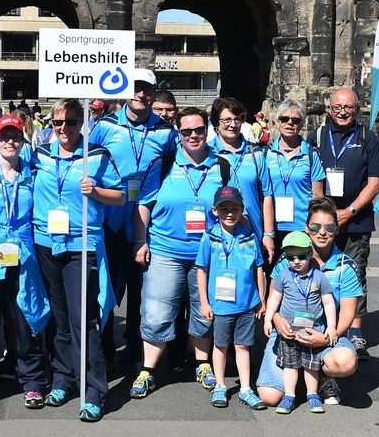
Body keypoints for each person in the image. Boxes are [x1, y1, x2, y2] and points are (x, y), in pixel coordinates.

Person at [130, 106, 239, 400]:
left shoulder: (222, 166)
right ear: (178, 134)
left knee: (205, 311)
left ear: (208, 131)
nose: (194, 136)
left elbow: (232, 207)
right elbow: (144, 204)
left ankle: (202, 363)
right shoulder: (163, 163)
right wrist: (140, 241)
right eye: (187, 131)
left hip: (207, 252)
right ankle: (149, 369)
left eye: (199, 130)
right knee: (156, 310)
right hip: (166, 249)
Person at [32, 98, 124, 422]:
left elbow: (121, 195)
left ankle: (95, 390)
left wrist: (96, 192)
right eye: (58, 122)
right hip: (45, 243)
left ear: (81, 122)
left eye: (71, 121)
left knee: (83, 320)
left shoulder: (96, 155)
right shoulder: (40, 154)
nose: (64, 128)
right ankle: (63, 378)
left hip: (80, 245)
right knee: (58, 318)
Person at [89, 68, 177, 364]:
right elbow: (83, 160)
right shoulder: (105, 125)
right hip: (110, 213)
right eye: (137, 88)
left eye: (147, 89)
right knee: (108, 284)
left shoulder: (166, 131)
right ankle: (103, 347)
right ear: (127, 91)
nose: (142, 94)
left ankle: (137, 349)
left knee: (142, 287)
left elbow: (173, 169)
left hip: (145, 214)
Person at [0, 115, 51, 411]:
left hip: (25, 256)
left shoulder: (36, 175)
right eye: (4, 137)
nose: (10, 143)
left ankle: (33, 383)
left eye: (15, 137)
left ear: (22, 140)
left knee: (27, 316)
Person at [257, 198, 363, 407]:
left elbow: (348, 314)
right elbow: (273, 299)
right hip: (287, 335)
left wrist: (325, 338)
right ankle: (294, 375)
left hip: (323, 333)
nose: (322, 232)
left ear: (337, 230)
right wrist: (276, 320)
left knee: (344, 362)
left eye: (329, 227)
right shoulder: (287, 260)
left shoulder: (345, 266)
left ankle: (322, 378)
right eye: (315, 227)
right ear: (307, 229)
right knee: (269, 397)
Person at [308, 88, 379, 360]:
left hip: (356, 221)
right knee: (318, 272)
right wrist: (327, 214)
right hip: (324, 222)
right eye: (337, 107)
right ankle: (319, 321)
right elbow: (310, 175)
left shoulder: (367, 138)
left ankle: (355, 332)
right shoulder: (316, 137)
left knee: (355, 273)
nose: (342, 111)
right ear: (329, 109)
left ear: (357, 109)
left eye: (348, 107)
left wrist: (348, 211)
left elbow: (375, 183)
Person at [196, 186, 266, 410]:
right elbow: (201, 270)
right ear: (214, 211)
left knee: (243, 346)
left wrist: (262, 299)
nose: (229, 213)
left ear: (242, 210)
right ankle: (219, 385)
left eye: (234, 208)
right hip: (221, 305)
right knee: (221, 345)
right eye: (224, 208)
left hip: (246, 304)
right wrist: (204, 302)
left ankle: (246, 388)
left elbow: (259, 269)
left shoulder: (249, 236)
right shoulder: (209, 237)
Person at [263, 231, 337, 415]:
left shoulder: (319, 277)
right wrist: (268, 317)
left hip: (312, 332)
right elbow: (274, 298)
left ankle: (312, 394)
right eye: (291, 257)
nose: (296, 261)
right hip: (288, 331)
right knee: (290, 365)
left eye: (301, 256)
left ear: (310, 254)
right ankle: (289, 395)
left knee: (311, 365)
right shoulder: (284, 276)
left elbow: (328, 303)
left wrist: (331, 326)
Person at [208, 97, 276, 261]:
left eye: (238, 119)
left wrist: (268, 234)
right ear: (216, 122)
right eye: (227, 120)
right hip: (217, 232)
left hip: (251, 231)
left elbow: (266, 195)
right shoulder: (207, 152)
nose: (232, 124)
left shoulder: (256, 154)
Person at [265, 98, 325, 253]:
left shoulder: (311, 155)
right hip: (272, 226)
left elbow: (317, 196)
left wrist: (315, 226)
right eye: (284, 119)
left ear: (302, 123)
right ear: (278, 122)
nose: (289, 123)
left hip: (301, 225)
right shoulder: (266, 154)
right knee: (273, 273)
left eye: (295, 120)